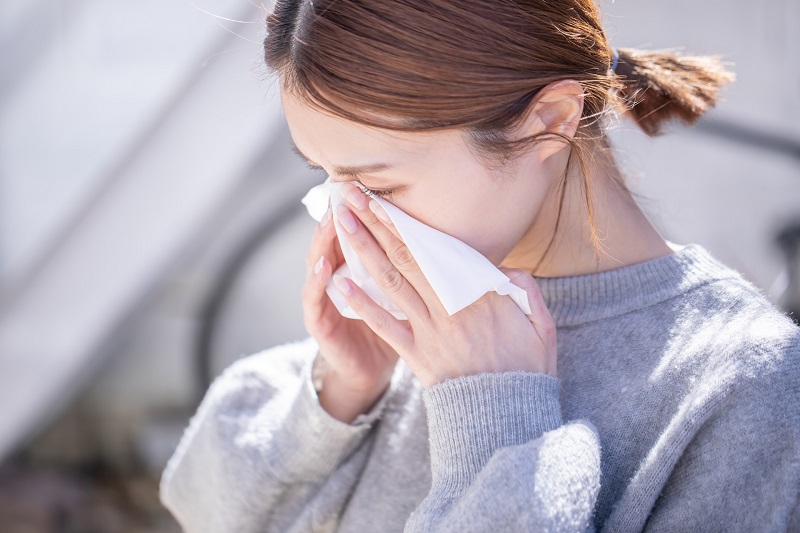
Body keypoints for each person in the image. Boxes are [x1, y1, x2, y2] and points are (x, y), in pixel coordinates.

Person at [159, 0, 800, 531]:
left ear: (548, 122)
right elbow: (200, 505)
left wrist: (494, 415)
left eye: (378, 188)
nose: (342, 218)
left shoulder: (742, 388)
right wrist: (339, 394)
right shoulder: (419, 318)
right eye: (325, 177)